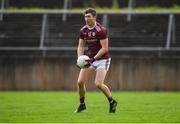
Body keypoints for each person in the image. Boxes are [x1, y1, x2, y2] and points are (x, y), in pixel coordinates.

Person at [75, 8, 117, 113]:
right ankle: (82, 104)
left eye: (88, 16)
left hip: (102, 59)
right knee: (80, 82)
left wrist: (93, 59)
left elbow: (104, 48)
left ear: (94, 17)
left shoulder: (101, 30)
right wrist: (79, 58)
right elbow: (80, 46)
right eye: (85, 16)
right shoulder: (83, 30)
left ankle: (112, 101)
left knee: (98, 84)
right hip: (89, 59)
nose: (86, 19)